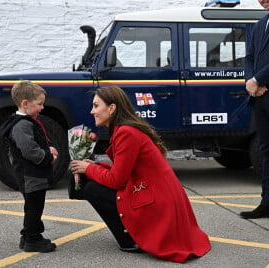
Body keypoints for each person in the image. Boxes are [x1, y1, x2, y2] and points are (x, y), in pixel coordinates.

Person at [71, 86, 211, 263]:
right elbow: (124, 171)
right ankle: (131, 234)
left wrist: (89, 169)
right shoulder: (126, 129)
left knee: (92, 188)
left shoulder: (125, 132)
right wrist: (95, 166)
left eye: (96, 106)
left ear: (112, 108)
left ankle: (130, 240)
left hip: (157, 201)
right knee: (91, 180)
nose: (92, 111)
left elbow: (116, 180)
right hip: (160, 195)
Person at [0, 80, 58, 252]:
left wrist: (48, 147)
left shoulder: (26, 121)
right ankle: (32, 240)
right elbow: (30, 150)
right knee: (34, 208)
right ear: (25, 104)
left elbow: (35, 140)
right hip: (31, 175)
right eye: (39, 104)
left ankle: (28, 236)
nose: (42, 108)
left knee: (33, 207)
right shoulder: (22, 124)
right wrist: (48, 157)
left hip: (32, 175)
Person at [241, 0, 269, 220]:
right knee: (267, 151)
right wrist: (250, 82)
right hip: (262, 99)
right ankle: (268, 204)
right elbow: (249, 58)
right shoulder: (260, 24)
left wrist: (259, 80)